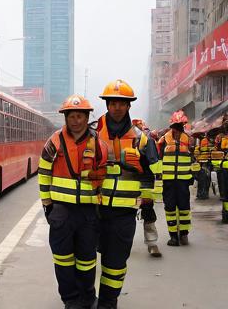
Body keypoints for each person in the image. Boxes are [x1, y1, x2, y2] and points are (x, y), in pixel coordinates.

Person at [95, 80, 161, 309]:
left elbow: (153, 173)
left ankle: (108, 301)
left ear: (129, 106)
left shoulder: (141, 139)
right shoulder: (92, 134)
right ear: (107, 104)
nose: (117, 107)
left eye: (122, 103)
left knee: (115, 261)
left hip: (123, 212)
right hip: (92, 208)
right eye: (113, 103)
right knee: (83, 258)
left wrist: (148, 201)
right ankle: (82, 298)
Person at [38, 94, 107, 309]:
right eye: (72, 116)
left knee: (87, 260)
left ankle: (87, 297)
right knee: (63, 259)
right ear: (65, 118)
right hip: (61, 211)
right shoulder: (54, 142)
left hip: (88, 212)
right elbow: (43, 173)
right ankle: (70, 299)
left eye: (80, 116)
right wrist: (47, 205)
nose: (76, 120)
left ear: (87, 118)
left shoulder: (98, 143)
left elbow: (105, 174)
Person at [157, 111, 194, 246]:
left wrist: (192, 175)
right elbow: (158, 159)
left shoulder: (189, 140)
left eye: (180, 126)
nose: (178, 128)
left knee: (183, 207)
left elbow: (193, 160)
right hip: (169, 181)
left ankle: (183, 235)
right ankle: (174, 236)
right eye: (177, 125)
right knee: (171, 208)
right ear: (172, 125)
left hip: (182, 180)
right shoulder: (163, 140)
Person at [131, 119, 162, 258]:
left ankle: (152, 243)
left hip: (144, 180)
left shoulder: (147, 140)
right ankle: (151, 244)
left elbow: (154, 161)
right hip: (129, 181)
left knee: (147, 211)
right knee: (128, 214)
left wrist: (158, 185)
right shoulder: (126, 139)